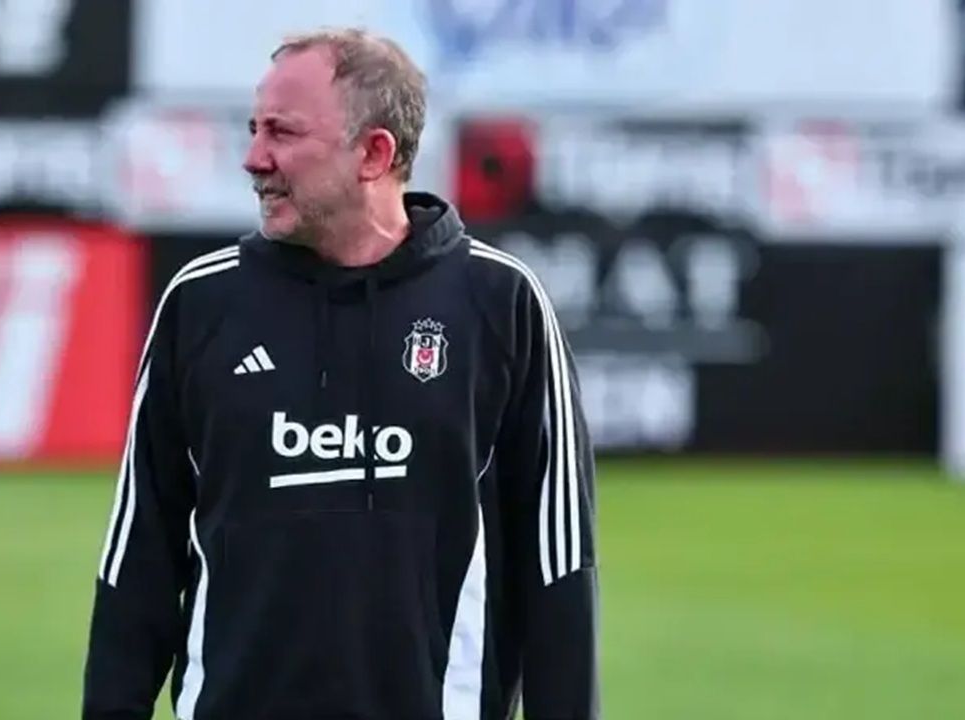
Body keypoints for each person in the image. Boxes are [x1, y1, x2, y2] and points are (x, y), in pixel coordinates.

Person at [81, 27, 599, 720]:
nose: (254, 158)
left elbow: (559, 569)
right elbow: (138, 559)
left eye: (283, 133)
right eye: (254, 129)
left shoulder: (502, 305)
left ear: (374, 153)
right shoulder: (200, 304)